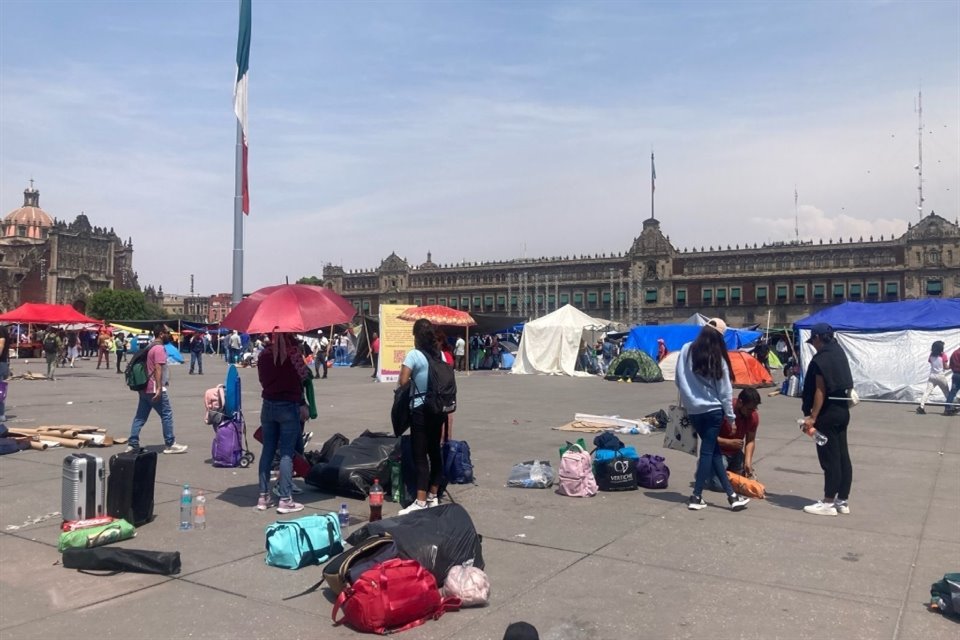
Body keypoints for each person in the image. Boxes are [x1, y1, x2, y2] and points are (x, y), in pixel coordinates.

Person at [675, 318, 750, 512]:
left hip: (694, 410)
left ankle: (732, 496)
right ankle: (696, 495)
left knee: (714, 452)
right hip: (713, 411)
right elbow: (725, 392)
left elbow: (678, 379)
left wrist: (689, 397)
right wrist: (731, 418)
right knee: (708, 452)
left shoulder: (686, 349)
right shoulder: (717, 356)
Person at [801, 323, 854, 516]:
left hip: (827, 414)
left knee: (829, 458)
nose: (813, 345)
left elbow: (820, 390)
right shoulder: (839, 353)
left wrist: (812, 417)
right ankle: (842, 500)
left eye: (813, 341)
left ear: (818, 338)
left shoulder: (821, 359)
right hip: (842, 411)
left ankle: (828, 502)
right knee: (842, 456)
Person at [256, 332, 310, 514]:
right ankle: (285, 499)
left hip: (268, 405)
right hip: (288, 406)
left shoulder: (263, 355)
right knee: (287, 452)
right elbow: (304, 377)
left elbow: (262, 380)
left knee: (268, 451)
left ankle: (263, 497)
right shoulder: (293, 353)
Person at [397, 319, 445, 515]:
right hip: (438, 409)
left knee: (420, 456)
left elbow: (402, 381)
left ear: (416, 336)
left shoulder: (414, 355)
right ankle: (433, 496)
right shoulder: (439, 354)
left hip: (420, 410)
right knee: (435, 452)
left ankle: (420, 501)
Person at [126, 325, 188, 454]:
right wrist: (160, 387)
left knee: (140, 417)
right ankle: (170, 444)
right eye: (166, 333)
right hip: (154, 387)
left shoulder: (150, 346)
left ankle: (132, 443)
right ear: (160, 334)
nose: (168, 335)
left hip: (144, 387)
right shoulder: (159, 348)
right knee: (166, 415)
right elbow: (158, 368)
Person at [714, 388, 761, 485]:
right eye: (749, 409)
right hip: (718, 451)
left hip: (735, 453)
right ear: (740, 403)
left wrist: (748, 462)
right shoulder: (723, 410)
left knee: (745, 481)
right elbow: (708, 437)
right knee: (719, 484)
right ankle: (706, 469)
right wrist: (728, 443)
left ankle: (727, 471)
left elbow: (750, 441)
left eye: (754, 409)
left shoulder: (753, 416)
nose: (751, 412)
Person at [917, 340, 950, 415]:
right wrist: (952, 366)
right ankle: (949, 408)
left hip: (932, 375)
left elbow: (931, 362)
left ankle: (921, 407)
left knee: (927, 392)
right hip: (940, 376)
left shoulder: (931, 355)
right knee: (947, 393)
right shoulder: (943, 355)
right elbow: (945, 367)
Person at [945, 346, 960, 416]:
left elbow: (951, 365)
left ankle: (947, 409)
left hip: (955, 375)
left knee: (952, 392)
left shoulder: (954, 353)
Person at [0, 323, 10, 422]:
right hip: (2, 363)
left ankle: (1, 414)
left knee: (0, 390)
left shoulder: (0, 329)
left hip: (1, 363)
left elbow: (1, 345)